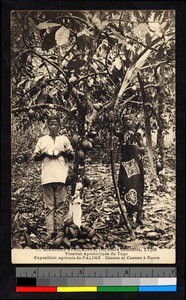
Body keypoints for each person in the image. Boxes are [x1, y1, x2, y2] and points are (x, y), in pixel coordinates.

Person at [33, 114, 74, 239]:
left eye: (55, 124)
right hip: (47, 178)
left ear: (59, 126)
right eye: (51, 124)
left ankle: (60, 232)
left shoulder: (64, 140)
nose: (53, 127)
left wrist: (63, 153)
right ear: (47, 126)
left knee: (61, 206)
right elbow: (35, 157)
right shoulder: (42, 140)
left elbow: (72, 156)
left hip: (61, 177)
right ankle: (50, 233)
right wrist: (44, 155)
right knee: (49, 207)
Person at [117, 114, 146, 228]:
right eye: (125, 120)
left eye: (130, 120)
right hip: (126, 165)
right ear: (123, 123)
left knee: (137, 187)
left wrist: (137, 145)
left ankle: (136, 216)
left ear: (133, 122)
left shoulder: (137, 135)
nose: (128, 122)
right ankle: (127, 216)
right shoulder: (122, 134)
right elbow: (113, 131)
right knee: (124, 187)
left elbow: (143, 149)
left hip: (136, 165)